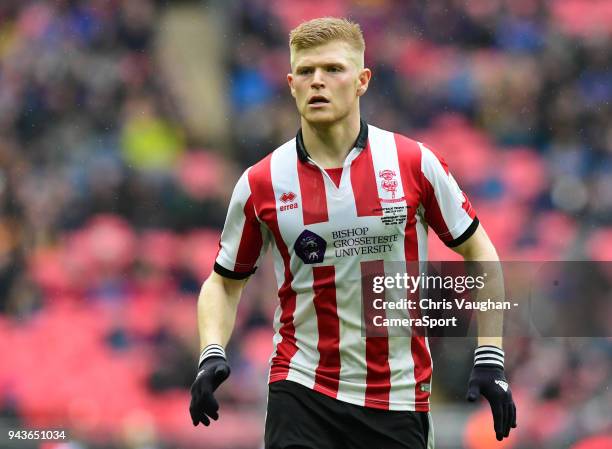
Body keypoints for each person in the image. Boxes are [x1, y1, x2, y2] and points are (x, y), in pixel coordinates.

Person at [189, 17, 516, 449]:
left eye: (332, 69)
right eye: (305, 72)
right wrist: (211, 351)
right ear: (291, 83)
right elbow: (224, 282)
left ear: (362, 80)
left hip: (398, 397)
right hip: (301, 388)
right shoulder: (262, 181)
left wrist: (489, 356)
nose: (317, 81)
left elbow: (480, 254)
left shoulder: (413, 163)